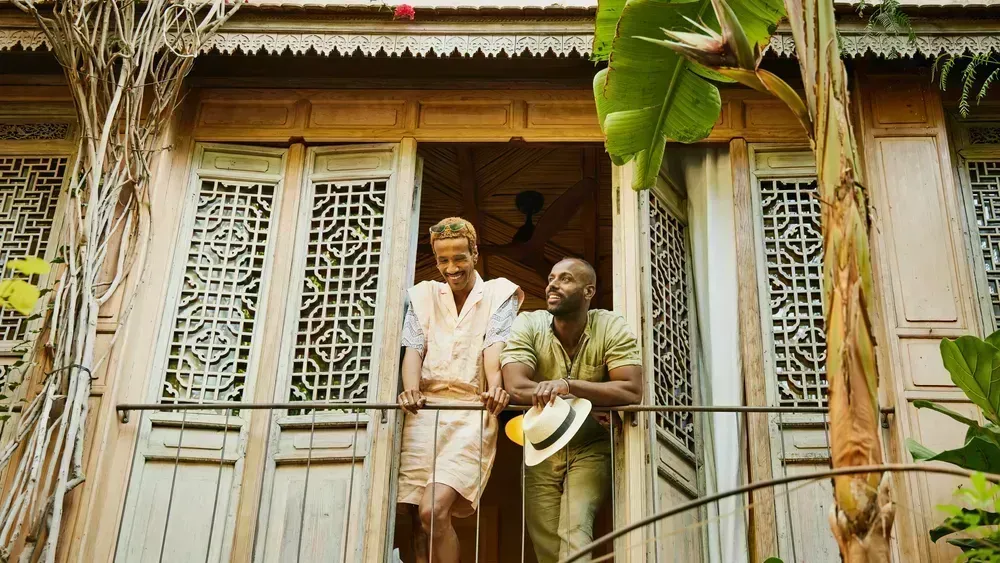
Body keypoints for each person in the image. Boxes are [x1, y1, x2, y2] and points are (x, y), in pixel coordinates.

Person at [396, 217, 524, 563]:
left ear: (475, 254)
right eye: (443, 260)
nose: (451, 268)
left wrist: (495, 388)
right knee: (417, 524)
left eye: (459, 258)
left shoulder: (499, 292)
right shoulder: (423, 294)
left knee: (433, 510)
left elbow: (494, 346)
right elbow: (414, 348)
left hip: (471, 410)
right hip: (422, 413)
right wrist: (410, 390)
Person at [500, 257, 642, 563]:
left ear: (588, 291)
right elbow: (516, 387)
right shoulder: (529, 323)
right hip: (541, 446)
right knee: (546, 544)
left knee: (575, 529)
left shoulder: (610, 325)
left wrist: (568, 385)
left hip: (592, 445)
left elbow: (631, 390)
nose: (552, 285)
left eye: (565, 279)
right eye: (551, 278)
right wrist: (588, 403)